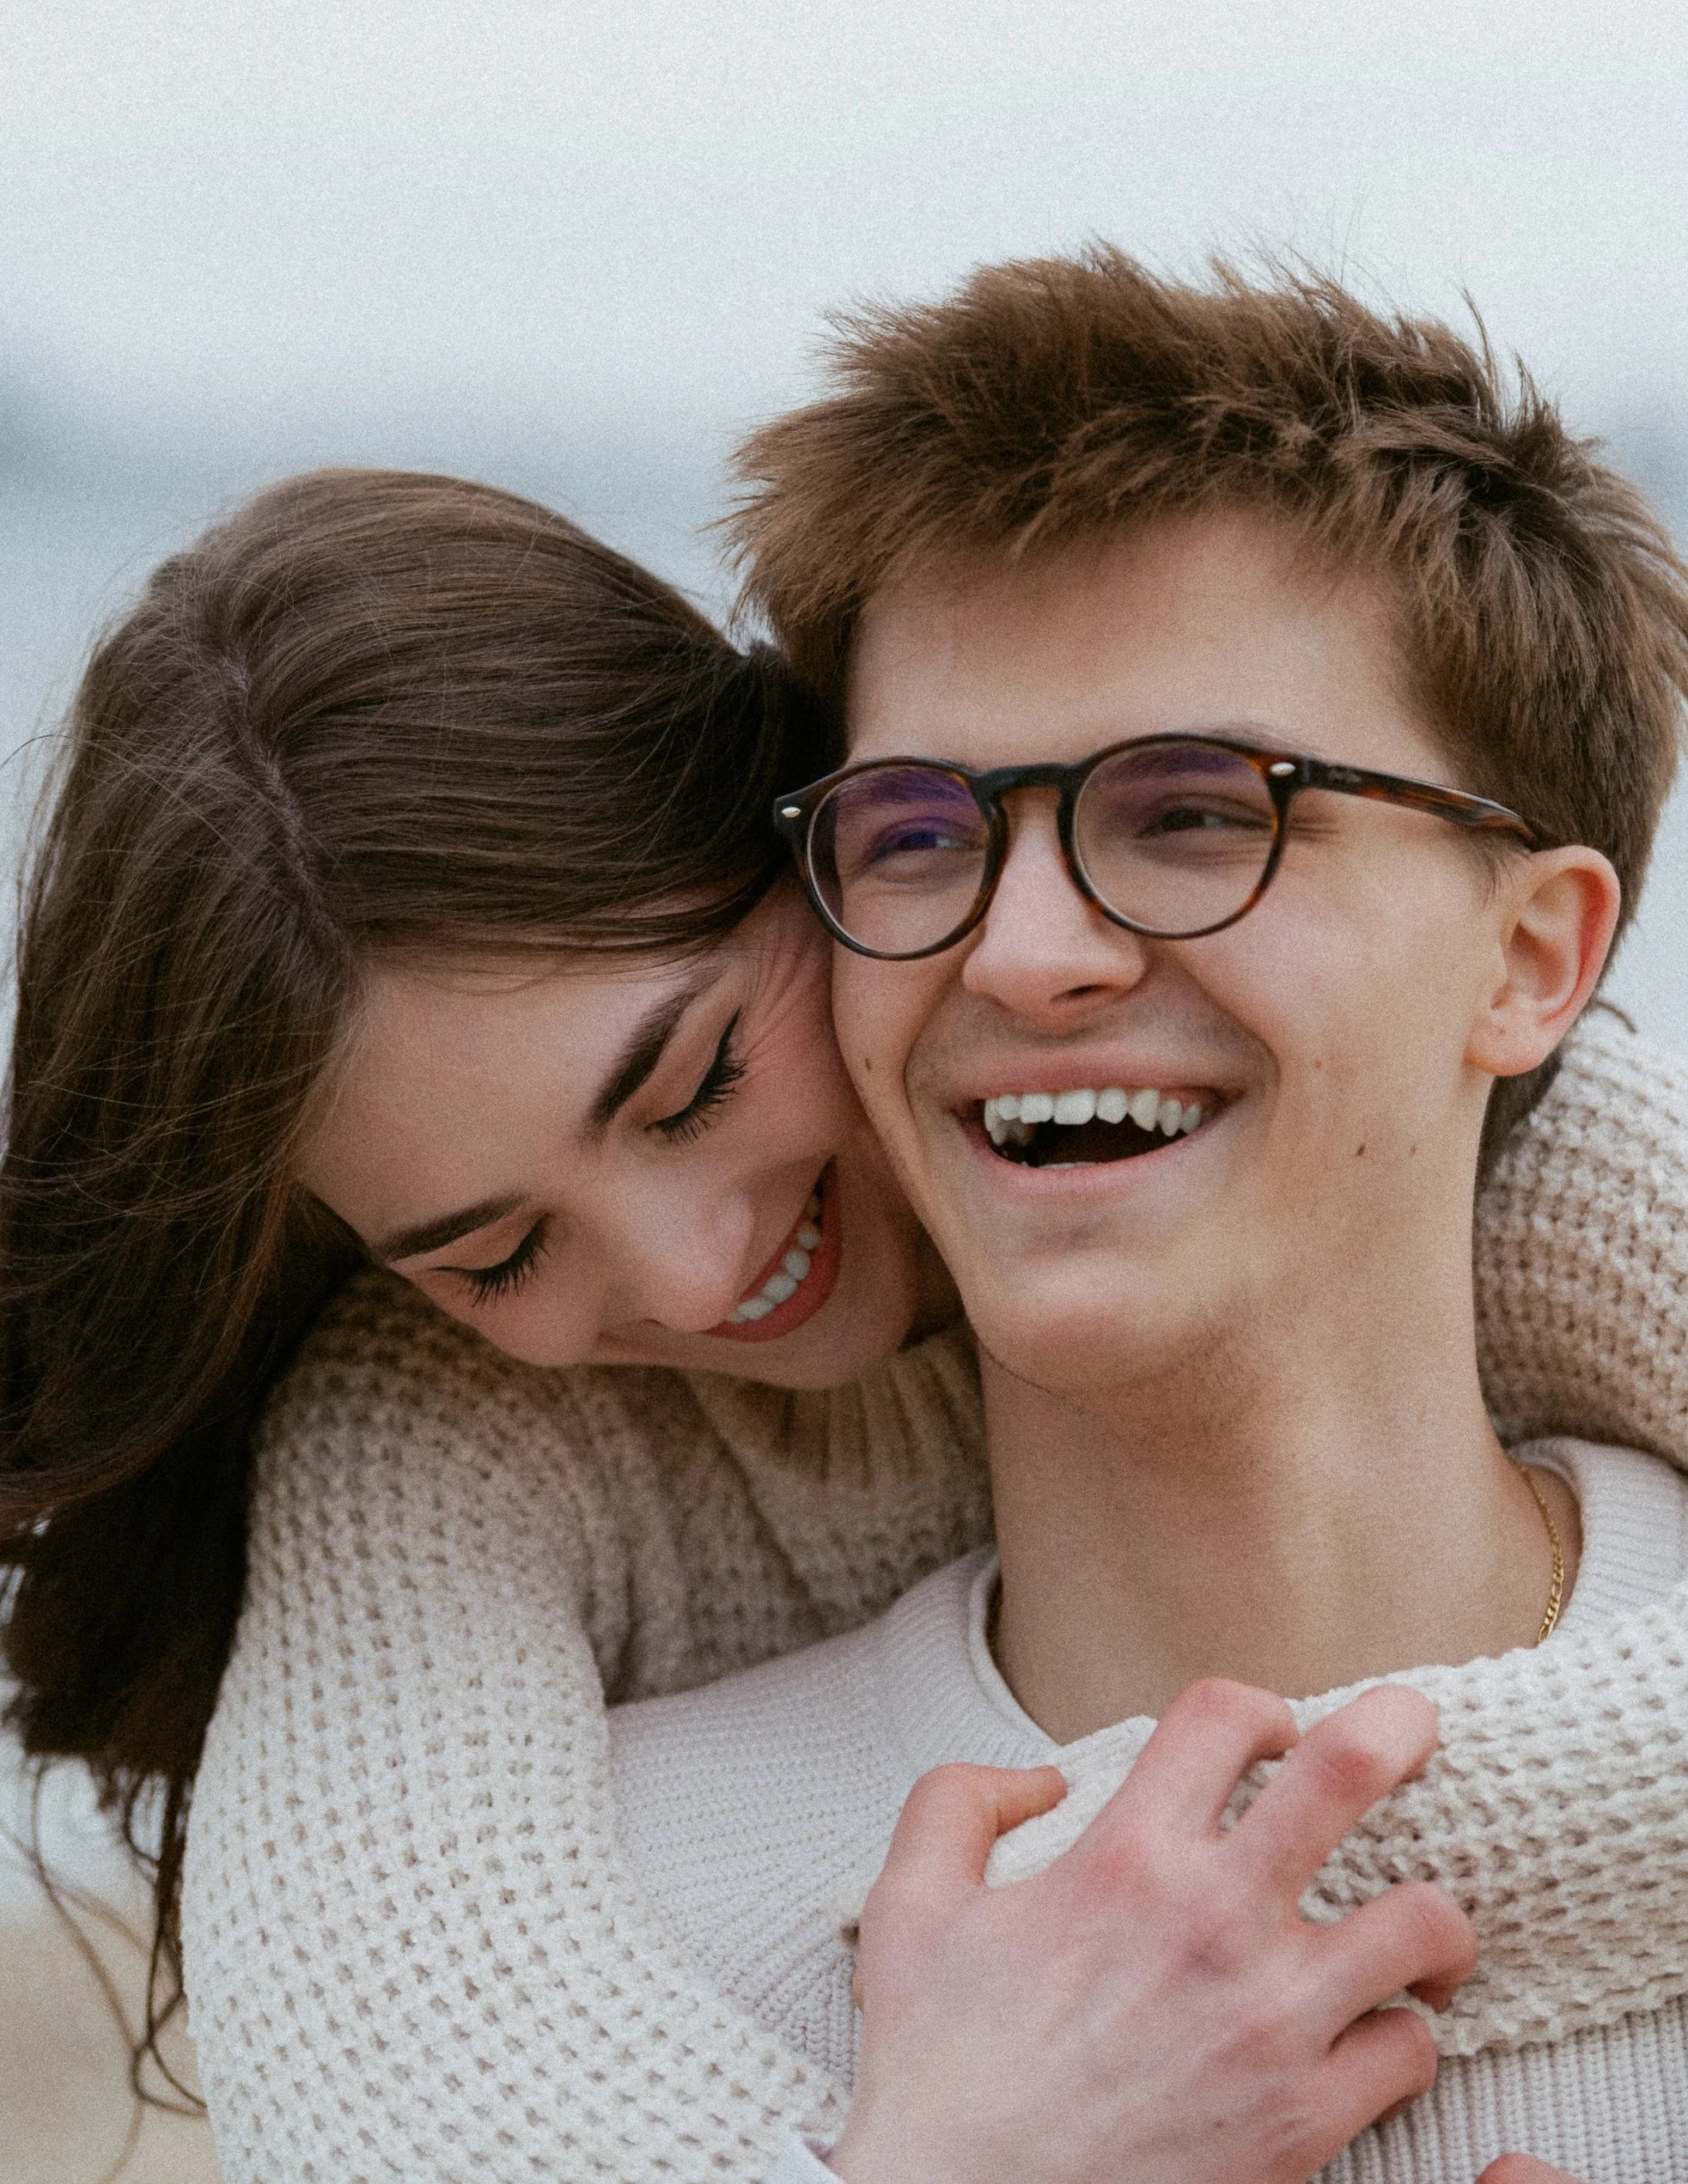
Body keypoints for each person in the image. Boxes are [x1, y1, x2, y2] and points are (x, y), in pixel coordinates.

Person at [0, 459, 1679, 2184]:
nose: (692, 1278)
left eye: (698, 1079)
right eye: (494, 1254)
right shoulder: (460, 1574)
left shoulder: (1553, 1195)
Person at [603, 252, 1688, 2182]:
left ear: (1529, 957)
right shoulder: (623, 1890)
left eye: (1194, 810)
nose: (1019, 954)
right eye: (918, 831)